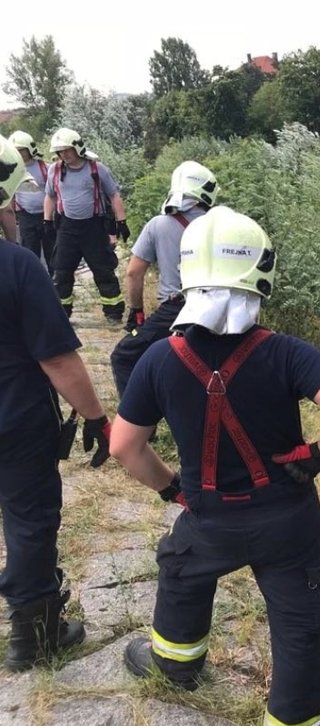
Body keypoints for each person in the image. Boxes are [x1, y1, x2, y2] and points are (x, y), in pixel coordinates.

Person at [109, 206, 320, 726]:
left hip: (210, 518)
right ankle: (294, 721)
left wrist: (171, 490)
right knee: (300, 622)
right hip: (288, 521)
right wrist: (316, 456)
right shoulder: (287, 353)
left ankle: (176, 664)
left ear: (188, 275)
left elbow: (124, 446)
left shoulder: (160, 359)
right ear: (261, 272)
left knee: (181, 570)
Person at [0, 136, 112, 671]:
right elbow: (60, 362)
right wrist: (95, 417)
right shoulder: (19, 268)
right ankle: (34, 634)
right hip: (16, 421)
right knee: (28, 520)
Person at [110, 161, 219, 398]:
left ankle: (138, 426)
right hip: (219, 308)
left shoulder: (158, 225)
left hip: (175, 310)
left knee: (124, 356)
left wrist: (136, 311)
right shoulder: (220, 225)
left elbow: (133, 273)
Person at [43, 127, 129, 322]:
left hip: (93, 228)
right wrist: (47, 220)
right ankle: (61, 316)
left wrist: (121, 221)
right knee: (61, 272)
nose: (63, 155)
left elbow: (114, 195)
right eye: (60, 151)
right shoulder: (54, 170)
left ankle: (114, 313)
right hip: (67, 228)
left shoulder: (97, 169)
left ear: (78, 148)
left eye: (67, 150)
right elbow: (50, 196)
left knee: (103, 270)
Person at [8, 131, 54, 273]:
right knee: (30, 252)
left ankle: (55, 282)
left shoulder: (46, 168)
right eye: (15, 150)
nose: (19, 153)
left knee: (51, 251)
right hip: (26, 217)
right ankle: (34, 280)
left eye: (21, 150)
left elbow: (54, 192)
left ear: (30, 149)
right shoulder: (10, 170)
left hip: (46, 216)